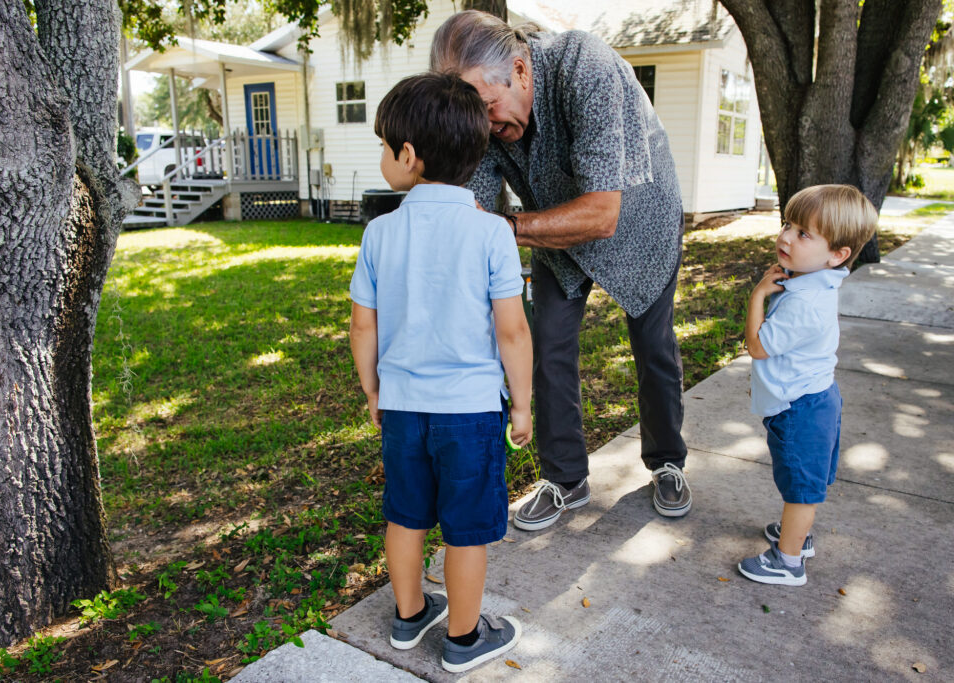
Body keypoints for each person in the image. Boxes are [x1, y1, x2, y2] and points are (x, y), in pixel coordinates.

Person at [430, 10, 690, 531]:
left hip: (638, 216)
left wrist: (503, 228)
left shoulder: (584, 66)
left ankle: (667, 464)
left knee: (653, 346)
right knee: (545, 345)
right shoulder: (478, 117)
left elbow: (601, 213)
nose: (481, 127)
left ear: (521, 71)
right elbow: (470, 214)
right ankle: (565, 478)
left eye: (487, 107)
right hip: (550, 228)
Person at [349, 72, 532, 673]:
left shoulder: (379, 233)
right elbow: (512, 331)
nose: (382, 156)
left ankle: (407, 617)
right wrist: (523, 403)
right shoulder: (491, 233)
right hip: (472, 411)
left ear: (408, 155)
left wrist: (373, 389)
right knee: (465, 529)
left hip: (403, 407)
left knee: (405, 514)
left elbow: (362, 327)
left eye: (383, 146)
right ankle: (463, 637)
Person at [737, 184, 878, 586]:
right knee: (801, 479)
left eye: (803, 234)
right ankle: (797, 536)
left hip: (800, 408)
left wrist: (757, 296)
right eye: (788, 224)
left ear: (838, 254)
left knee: (800, 487)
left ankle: (789, 561)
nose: (785, 237)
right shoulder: (814, 281)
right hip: (810, 399)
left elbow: (758, 347)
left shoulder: (803, 301)